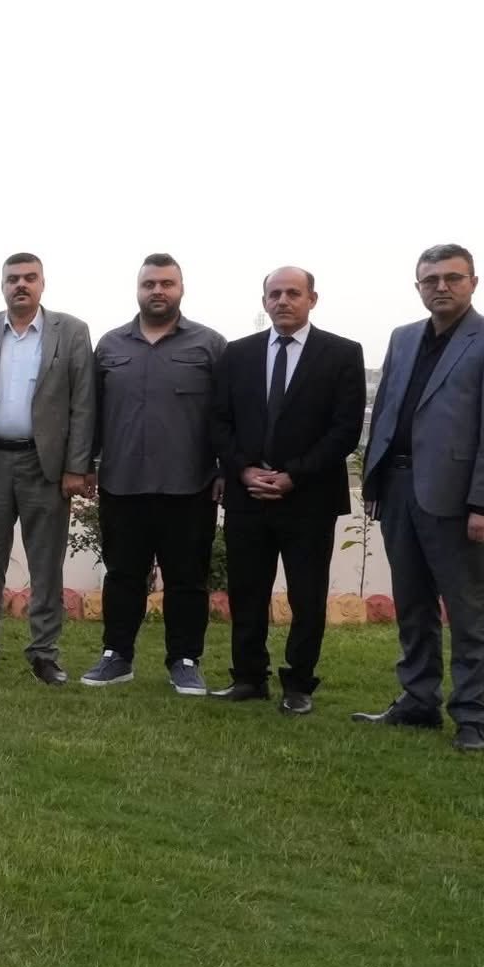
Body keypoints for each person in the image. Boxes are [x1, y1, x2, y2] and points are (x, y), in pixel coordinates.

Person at [356, 244, 484, 751]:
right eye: (430, 279)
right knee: (412, 606)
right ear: (418, 287)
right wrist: (374, 483)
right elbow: (386, 412)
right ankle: (418, 701)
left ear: (473, 282)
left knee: (467, 612)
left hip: (458, 500)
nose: (441, 287)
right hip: (399, 490)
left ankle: (472, 717)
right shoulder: (403, 337)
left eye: (453, 277)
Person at [208, 267, 365, 714]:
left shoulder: (342, 354)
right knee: (247, 591)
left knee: (307, 596)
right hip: (248, 496)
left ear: (312, 299)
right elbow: (218, 420)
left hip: (309, 498)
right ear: (264, 302)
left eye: (293, 293)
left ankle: (299, 684)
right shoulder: (237, 354)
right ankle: (248, 677)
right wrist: (242, 470)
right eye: (274, 294)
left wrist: (294, 474)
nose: (283, 301)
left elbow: (345, 429)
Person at [80, 254, 227, 695]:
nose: (158, 291)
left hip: (190, 486)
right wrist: (84, 465)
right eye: (150, 284)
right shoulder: (110, 346)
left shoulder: (210, 345)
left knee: (187, 579)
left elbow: (227, 415)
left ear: (181, 289)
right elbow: (92, 413)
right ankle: (116, 656)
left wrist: (224, 469)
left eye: (167, 283)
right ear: (138, 290)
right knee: (123, 575)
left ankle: (185, 660)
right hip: (122, 484)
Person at [0, 252, 95, 685]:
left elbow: (83, 404)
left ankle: (44, 653)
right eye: (13, 278)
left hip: (44, 465)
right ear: (3, 285)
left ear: (42, 284)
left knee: (45, 565)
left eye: (30, 277)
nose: (21, 285)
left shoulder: (71, 331)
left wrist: (76, 467)